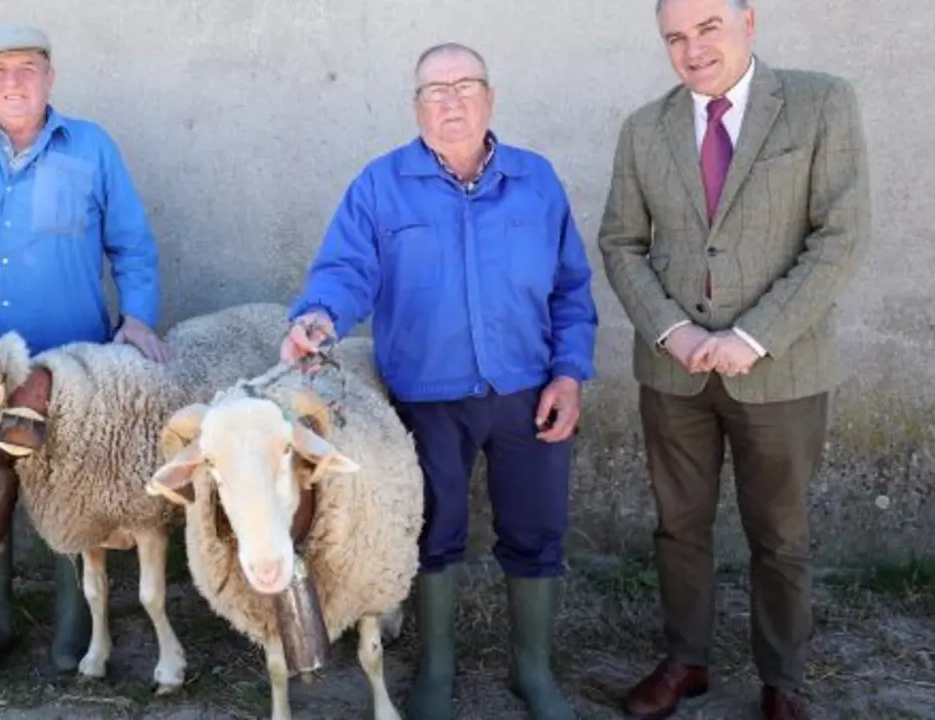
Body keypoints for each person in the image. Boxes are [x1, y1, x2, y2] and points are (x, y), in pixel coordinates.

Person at [281, 42, 598, 720]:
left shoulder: (536, 182)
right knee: (433, 530)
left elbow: (571, 288)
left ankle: (534, 671)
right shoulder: (380, 185)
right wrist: (318, 316)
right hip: (428, 397)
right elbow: (346, 269)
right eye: (433, 90)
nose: (450, 101)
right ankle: (436, 668)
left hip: (527, 390)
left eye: (464, 86)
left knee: (537, 529)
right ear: (415, 106)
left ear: (490, 97)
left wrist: (569, 374)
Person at [597, 1, 870, 718]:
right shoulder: (643, 129)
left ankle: (784, 679)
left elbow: (839, 237)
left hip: (779, 370)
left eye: (708, 27)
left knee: (780, 533)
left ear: (749, 21)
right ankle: (685, 662)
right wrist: (669, 331)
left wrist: (751, 336)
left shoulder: (819, 104)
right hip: (674, 373)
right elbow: (621, 243)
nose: (692, 49)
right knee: (677, 524)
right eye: (676, 38)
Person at [0, 25, 169, 682]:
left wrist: (138, 318)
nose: (13, 82)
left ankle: (75, 625)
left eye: (27, 68)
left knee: (69, 490)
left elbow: (132, 244)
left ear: (50, 77)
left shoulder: (91, 148)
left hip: (69, 366)